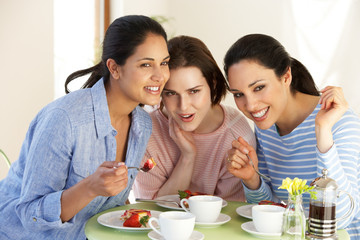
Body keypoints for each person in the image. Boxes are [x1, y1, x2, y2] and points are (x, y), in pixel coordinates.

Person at [0, 15, 170, 239]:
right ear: (114, 68)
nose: (160, 76)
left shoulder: (142, 123)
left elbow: (109, 206)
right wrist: (89, 187)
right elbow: (30, 216)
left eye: (164, 63)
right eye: (146, 64)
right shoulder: (64, 119)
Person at [224, 33, 360, 238]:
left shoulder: (339, 121)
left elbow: (340, 218)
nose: (250, 105)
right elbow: (275, 210)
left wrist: (323, 131)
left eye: (259, 88)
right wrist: (253, 180)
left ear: (286, 76)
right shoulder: (265, 126)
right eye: (238, 94)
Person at [133, 35, 255, 201]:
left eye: (194, 91)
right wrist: (187, 157)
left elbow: (229, 214)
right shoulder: (146, 132)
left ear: (212, 83)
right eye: (171, 93)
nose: (183, 106)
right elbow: (148, 210)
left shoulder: (235, 134)